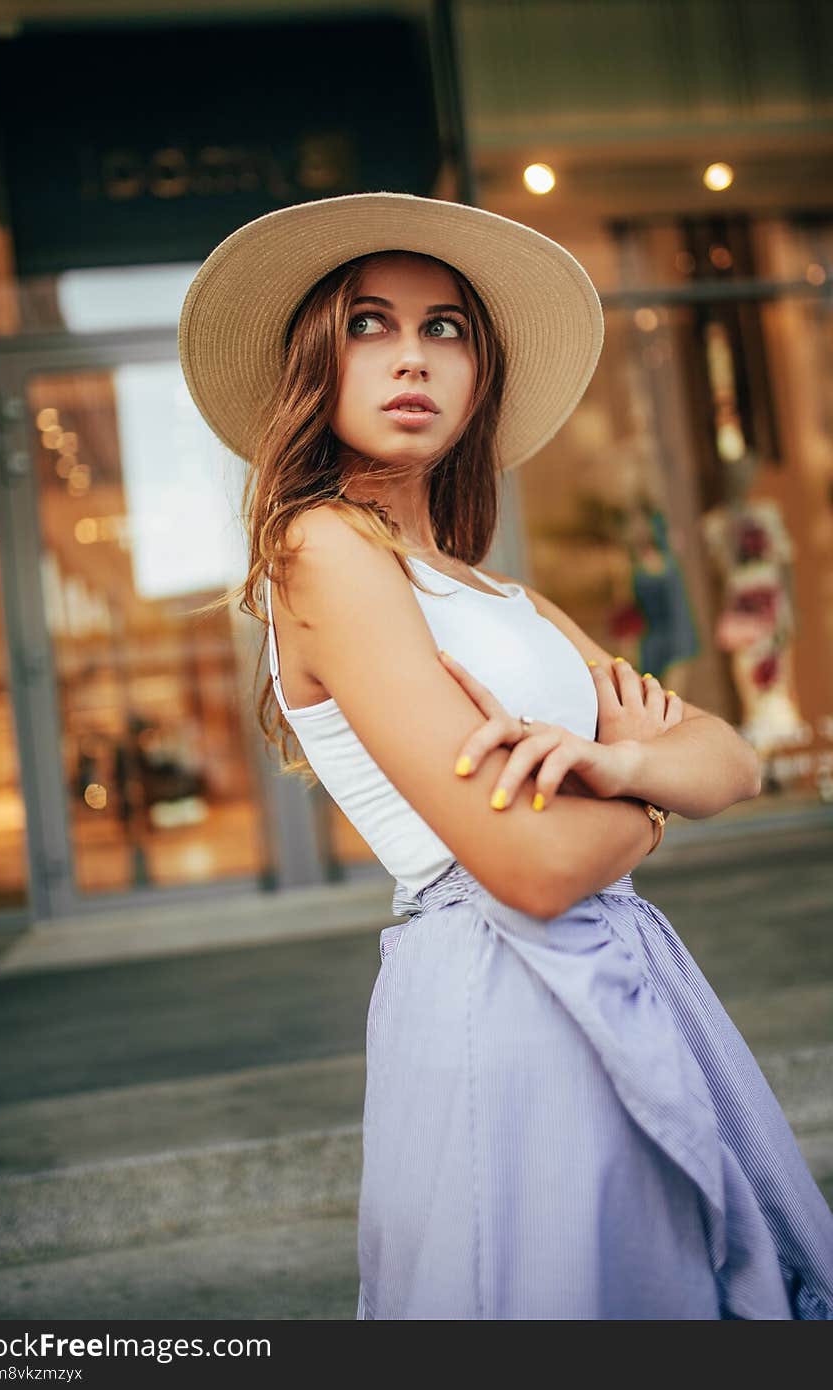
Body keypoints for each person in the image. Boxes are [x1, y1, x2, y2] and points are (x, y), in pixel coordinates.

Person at [179, 191, 833, 1320]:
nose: (411, 357)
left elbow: (730, 757)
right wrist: (644, 792)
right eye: (371, 324)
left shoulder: (499, 593)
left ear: (479, 374)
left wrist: (615, 772)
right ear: (317, 368)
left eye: (446, 330)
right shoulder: (319, 546)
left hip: (630, 969)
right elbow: (524, 868)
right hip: (503, 983)